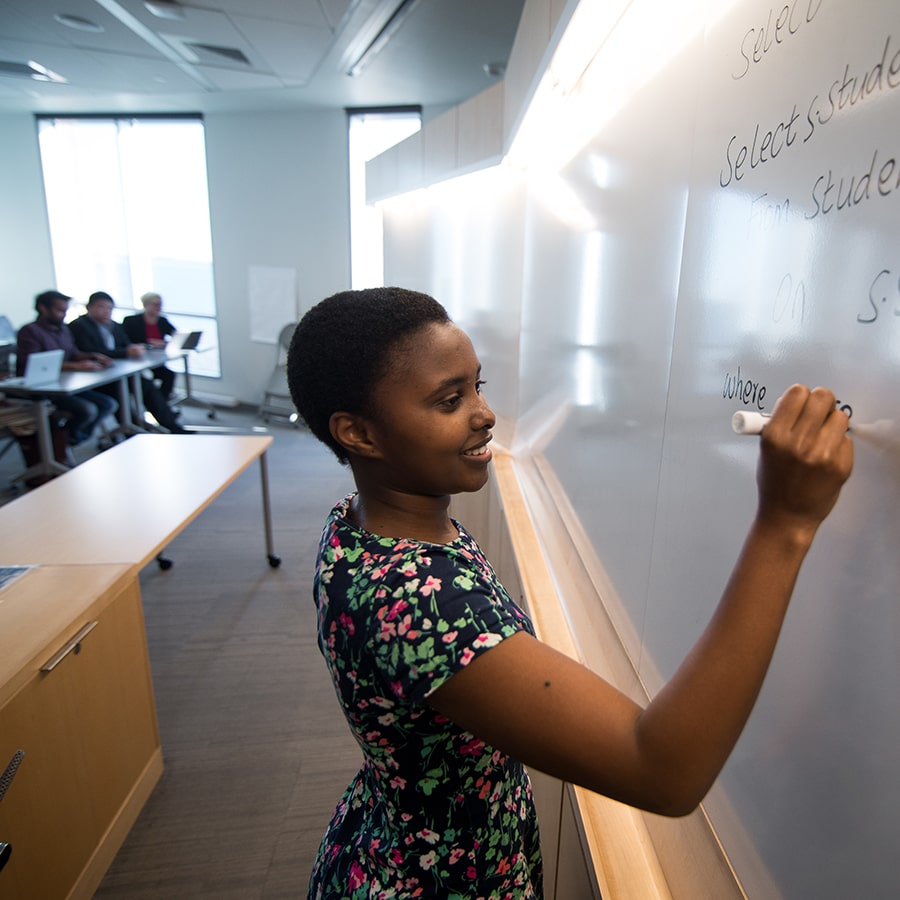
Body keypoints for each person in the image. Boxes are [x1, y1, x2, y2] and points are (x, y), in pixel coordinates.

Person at [286, 287, 853, 899]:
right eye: (450, 400)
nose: (485, 413)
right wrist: (786, 523)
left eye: (478, 386)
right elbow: (662, 772)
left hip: (381, 837)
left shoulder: (363, 525)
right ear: (359, 434)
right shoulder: (419, 603)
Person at [70, 291, 190, 434]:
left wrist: (133, 348)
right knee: (120, 394)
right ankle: (133, 431)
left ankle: (170, 425)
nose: (106, 311)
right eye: (101, 307)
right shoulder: (79, 326)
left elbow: (126, 345)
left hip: (116, 371)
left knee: (146, 385)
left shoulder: (113, 325)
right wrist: (125, 352)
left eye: (110, 308)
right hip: (95, 377)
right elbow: (90, 351)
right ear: (89, 307)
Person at [16, 290, 118, 446]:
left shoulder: (63, 329)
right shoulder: (30, 331)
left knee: (108, 404)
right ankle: (62, 442)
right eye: (59, 310)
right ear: (43, 308)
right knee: (87, 410)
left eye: (65, 311)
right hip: (43, 389)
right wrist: (77, 366)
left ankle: (71, 438)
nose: (63, 314)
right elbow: (37, 364)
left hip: (66, 384)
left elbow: (73, 353)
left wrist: (93, 356)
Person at [122, 291, 177, 399]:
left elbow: (176, 336)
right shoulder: (131, 321)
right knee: (145, 382)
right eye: (155, 304)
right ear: (145, 304)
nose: (158, 307)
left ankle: (162, 403)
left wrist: (164, 343)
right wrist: (147, 345)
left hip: (156, 359)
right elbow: (124, 340)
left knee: (169, 375)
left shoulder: (162, 320)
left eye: (160, 304)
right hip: (137, 358)